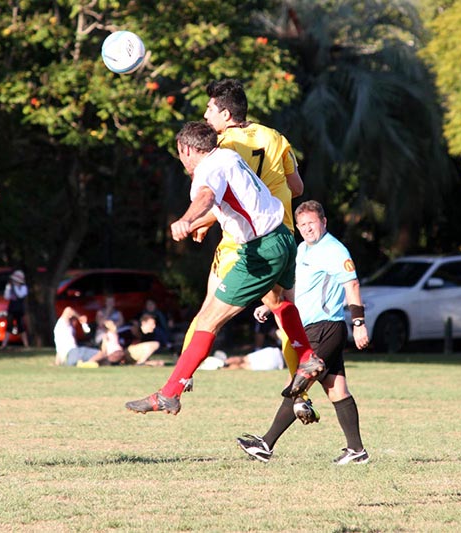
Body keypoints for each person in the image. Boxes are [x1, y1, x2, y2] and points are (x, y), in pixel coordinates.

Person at [124, 121, 325, 416]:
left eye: (180, 153)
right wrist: (200, 223)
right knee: (278, 301)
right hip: (282, 237)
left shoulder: (206, 170)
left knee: (207, 321)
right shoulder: (229, 157)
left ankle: (169, 393)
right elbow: (236, 201)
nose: (182, 159)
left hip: (260, 250)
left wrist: (186, 219)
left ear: (189, 149)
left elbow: (206, 197)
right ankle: (307, 357)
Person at [180, 79, 309, 404]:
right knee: (284, 314)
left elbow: (226, 195)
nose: (207, 115)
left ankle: (180, 380)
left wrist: (199, 220)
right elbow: (297, 188)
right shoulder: (275, 137)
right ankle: (301, 393)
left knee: (208, 312)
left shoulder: (221, 147)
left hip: (243, 241)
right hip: (284, 233)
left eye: (211, 109)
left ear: (225, 113)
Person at [236, 200, 371, 465]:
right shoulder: (302, 249)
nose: (307, 228)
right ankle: (357, 451)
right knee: (337, 390)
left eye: (312, 223)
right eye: (302, 225)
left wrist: (359, 323)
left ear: (324, 222)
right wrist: (270, 305)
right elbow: (298, 286)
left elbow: (352, 284)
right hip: (309, 328)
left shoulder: (334, 250)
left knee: (299, 384)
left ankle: (265, 444)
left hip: (326, 327)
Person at [0, 269, 29, 349]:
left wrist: (15, 287)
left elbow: (20, 295)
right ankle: (4, 344)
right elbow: (6, 297)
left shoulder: (23, 288)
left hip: (19, 309)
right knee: (9, 326)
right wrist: (9, 288)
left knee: (21, 326)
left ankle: (26, 344)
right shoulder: (10, 287)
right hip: (12, 309)